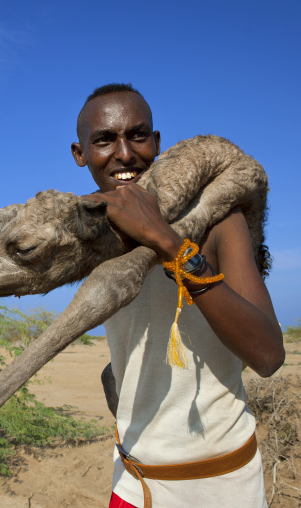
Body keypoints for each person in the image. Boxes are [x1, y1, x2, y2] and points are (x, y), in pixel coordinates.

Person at [71, 83, 285, 508]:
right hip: (134, 482)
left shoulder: (217, 219)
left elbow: (268, 355)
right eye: (104, 140)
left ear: (158, 142)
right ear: (80, 154)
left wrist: (172, 246)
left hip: (221, 484)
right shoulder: (91, 231)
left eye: (138, 135)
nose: (125, 153)